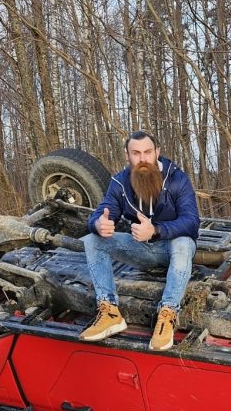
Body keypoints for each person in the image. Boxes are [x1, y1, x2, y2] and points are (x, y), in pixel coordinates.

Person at [79, 130, 199, 349]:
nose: (143, 159)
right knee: (91, 240)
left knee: (183, 242)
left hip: (172, 251)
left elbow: (191, 222)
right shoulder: (120, 183)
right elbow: (103, 212)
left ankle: (168, 314)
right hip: (139, 248)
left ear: (157, 153)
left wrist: (155, 230)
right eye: (136, 153)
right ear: (127, 155)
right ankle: (109, 311)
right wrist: (98, 224)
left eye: (148, 152)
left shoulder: (177, 179)